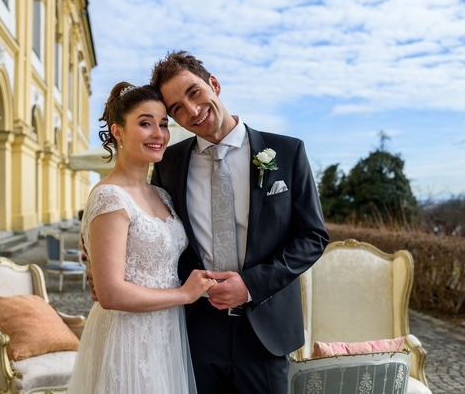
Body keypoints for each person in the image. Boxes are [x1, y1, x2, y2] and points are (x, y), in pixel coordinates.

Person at [149, 51, 329, 394]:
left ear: (214, 84)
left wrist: (250, 285)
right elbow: (160, 233)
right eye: (177, 109)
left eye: (194, 92)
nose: (192, 111)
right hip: (197, 330)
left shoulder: (286, 151)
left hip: (265, 328)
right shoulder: (168, 163)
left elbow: (313, 236)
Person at [66, 81, 216, 394]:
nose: (158, 134)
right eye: (145, 124)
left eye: (163, 124)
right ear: (117, 131)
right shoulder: (109, 197)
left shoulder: (162, 195)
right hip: (127, 337)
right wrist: (184, 294)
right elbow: (110, 294)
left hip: (166, 334)